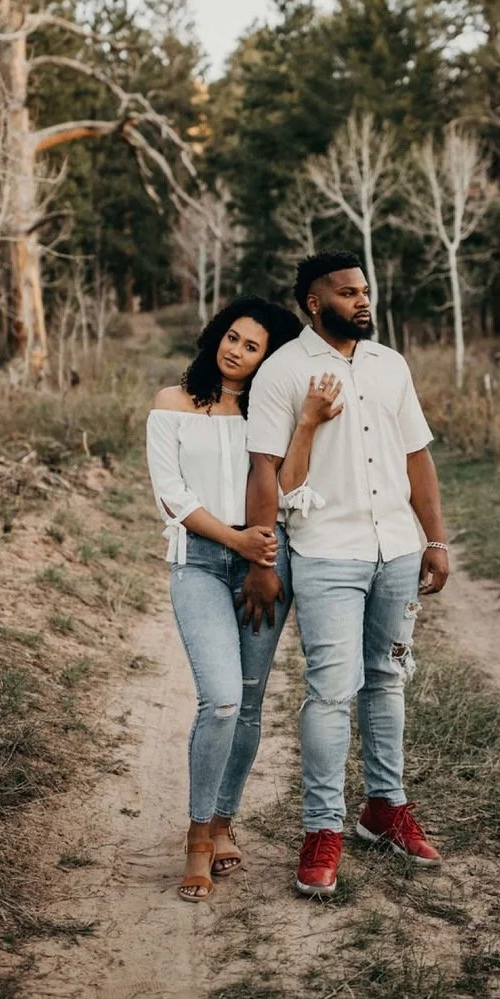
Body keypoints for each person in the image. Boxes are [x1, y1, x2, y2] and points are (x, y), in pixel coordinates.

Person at [243, 251, 451, 898]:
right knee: (331, 690)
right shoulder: (282, 372)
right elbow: (267, 477)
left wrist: (435, 538)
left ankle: (384, 808)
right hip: (326, 551)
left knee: (388, 678)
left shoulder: (391, 365)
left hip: (395, 547)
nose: (363, 300)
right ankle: (321, 828)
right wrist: (263, 558)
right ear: (313, 302)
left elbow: (417, 458)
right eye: (346, 292)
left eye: (365, 289)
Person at [146, 296, 343, 903]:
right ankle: (199, 837)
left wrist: (306, 422)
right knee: (223, 699)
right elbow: (171, 494)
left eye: (252, 345)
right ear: (216, 335)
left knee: (252, 704)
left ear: (267, 358)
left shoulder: (269, 414)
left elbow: (289, 487)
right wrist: (236, 539)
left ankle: (227, 820)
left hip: (266, 565)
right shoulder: (172, 403)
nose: (235, 350)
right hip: (202, 562)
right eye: (232, 337)